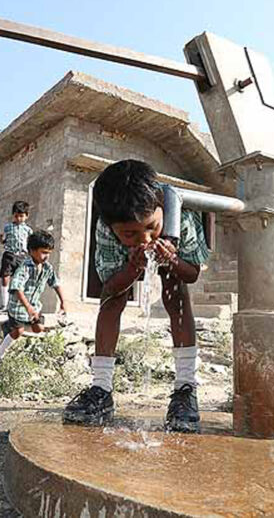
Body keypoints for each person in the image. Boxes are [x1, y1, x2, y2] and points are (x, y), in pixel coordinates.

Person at [62, 160, 210, 433]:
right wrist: (132, 268)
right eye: (130, 234)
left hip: (175, 261)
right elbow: (110, 286)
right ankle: (101, 389)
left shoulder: (183, 216)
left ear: (161, 208)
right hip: (125, 269)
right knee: (113, 300)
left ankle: (185, 390)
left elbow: (192, 274)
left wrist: (173, 260)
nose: (143, 239)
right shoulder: (107, 227)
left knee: (174, 288)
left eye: (151, 227)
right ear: (112, 227)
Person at [0, 231, 66, 368]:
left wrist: (63, 302)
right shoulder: (24, 267)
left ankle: (13, 327)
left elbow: (56, 283)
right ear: (31, 251)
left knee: (39, 329)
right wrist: (28, 308)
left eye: (48, 253)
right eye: (43, 252)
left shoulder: (48, 268)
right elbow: (16, 288)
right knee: (17, 332)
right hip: (18, 307)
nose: (46, 256)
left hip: (34, 307)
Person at [0, 201, 32, 313]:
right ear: (13, 215)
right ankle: (4, 304)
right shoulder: (8, 227)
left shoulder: (28, 230)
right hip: (9, 255)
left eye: (21, 216)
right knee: (5, 278)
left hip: (22, 256)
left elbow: (30, 243)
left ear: (26, 216)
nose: (19, 218)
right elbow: (4, 241)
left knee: (20, 281)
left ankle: (19, 305)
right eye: (16, 216)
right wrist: (0, 239)